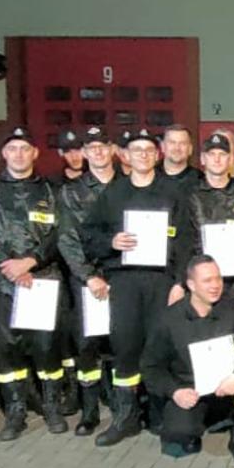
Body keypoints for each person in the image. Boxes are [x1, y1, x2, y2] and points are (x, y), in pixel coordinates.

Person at [84, 128, 197, 446]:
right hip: (125, 280)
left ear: (157, 154)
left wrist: (179, 283)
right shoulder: (113, 194)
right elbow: (89, 234)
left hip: (162, 282)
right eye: (137, 150)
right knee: (126, 347)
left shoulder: (172, 193)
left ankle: (161, 414)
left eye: (149, 150)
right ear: (125, 155)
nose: (143, 156)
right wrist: (111, 241)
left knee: (161, 347)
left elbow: (186, 242)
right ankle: (126, 417)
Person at [0, 126, 69, 441]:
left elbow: (59, 234)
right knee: (8, 348)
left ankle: (52, 404)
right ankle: (15, 410)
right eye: (13, 149)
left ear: (35, 153)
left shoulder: (51, 191)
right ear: (4, 155)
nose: (19, 155)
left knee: (45, 346)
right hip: (4, 282)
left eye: (25, 149)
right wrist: (8, 265)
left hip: (42, 278)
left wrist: (31, 261)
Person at [141, 256, 234, 462]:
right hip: (192, 391)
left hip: (230, 387)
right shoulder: (168, 319)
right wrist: (175, 392)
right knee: (180, 435)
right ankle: (205, 422)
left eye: (218, 279)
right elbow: (151, 367)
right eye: (207, 281)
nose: (215, 286)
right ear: (191, 285)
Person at [52, 126, 117, 437]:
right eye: (92, 147)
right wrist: (88, 275)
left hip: (123, 278)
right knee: (88, 345)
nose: (98, 152)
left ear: (112, 149)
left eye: (103, 146)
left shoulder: (128, 186)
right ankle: (89, 411)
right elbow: (67, 239)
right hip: (88, 280)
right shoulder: (71, 192)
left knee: (121, 342)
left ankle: (122, 407)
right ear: (85, 153)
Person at [188, 134, 234, 307]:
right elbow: (186, 240)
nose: (217, 159)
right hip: (203, 281)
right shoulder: (192, 196)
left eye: (222, 154)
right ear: (203, 159)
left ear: (230, 159)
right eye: (211, 154)